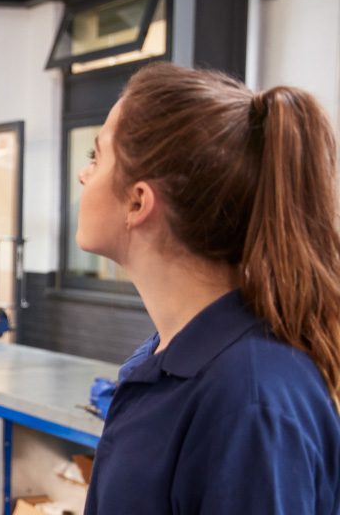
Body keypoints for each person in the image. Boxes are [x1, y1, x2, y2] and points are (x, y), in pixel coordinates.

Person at [77, 62, 340, 514]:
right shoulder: (168, 358)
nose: (85, 174)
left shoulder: (250, 399)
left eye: (97, 156)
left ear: (139, 201)